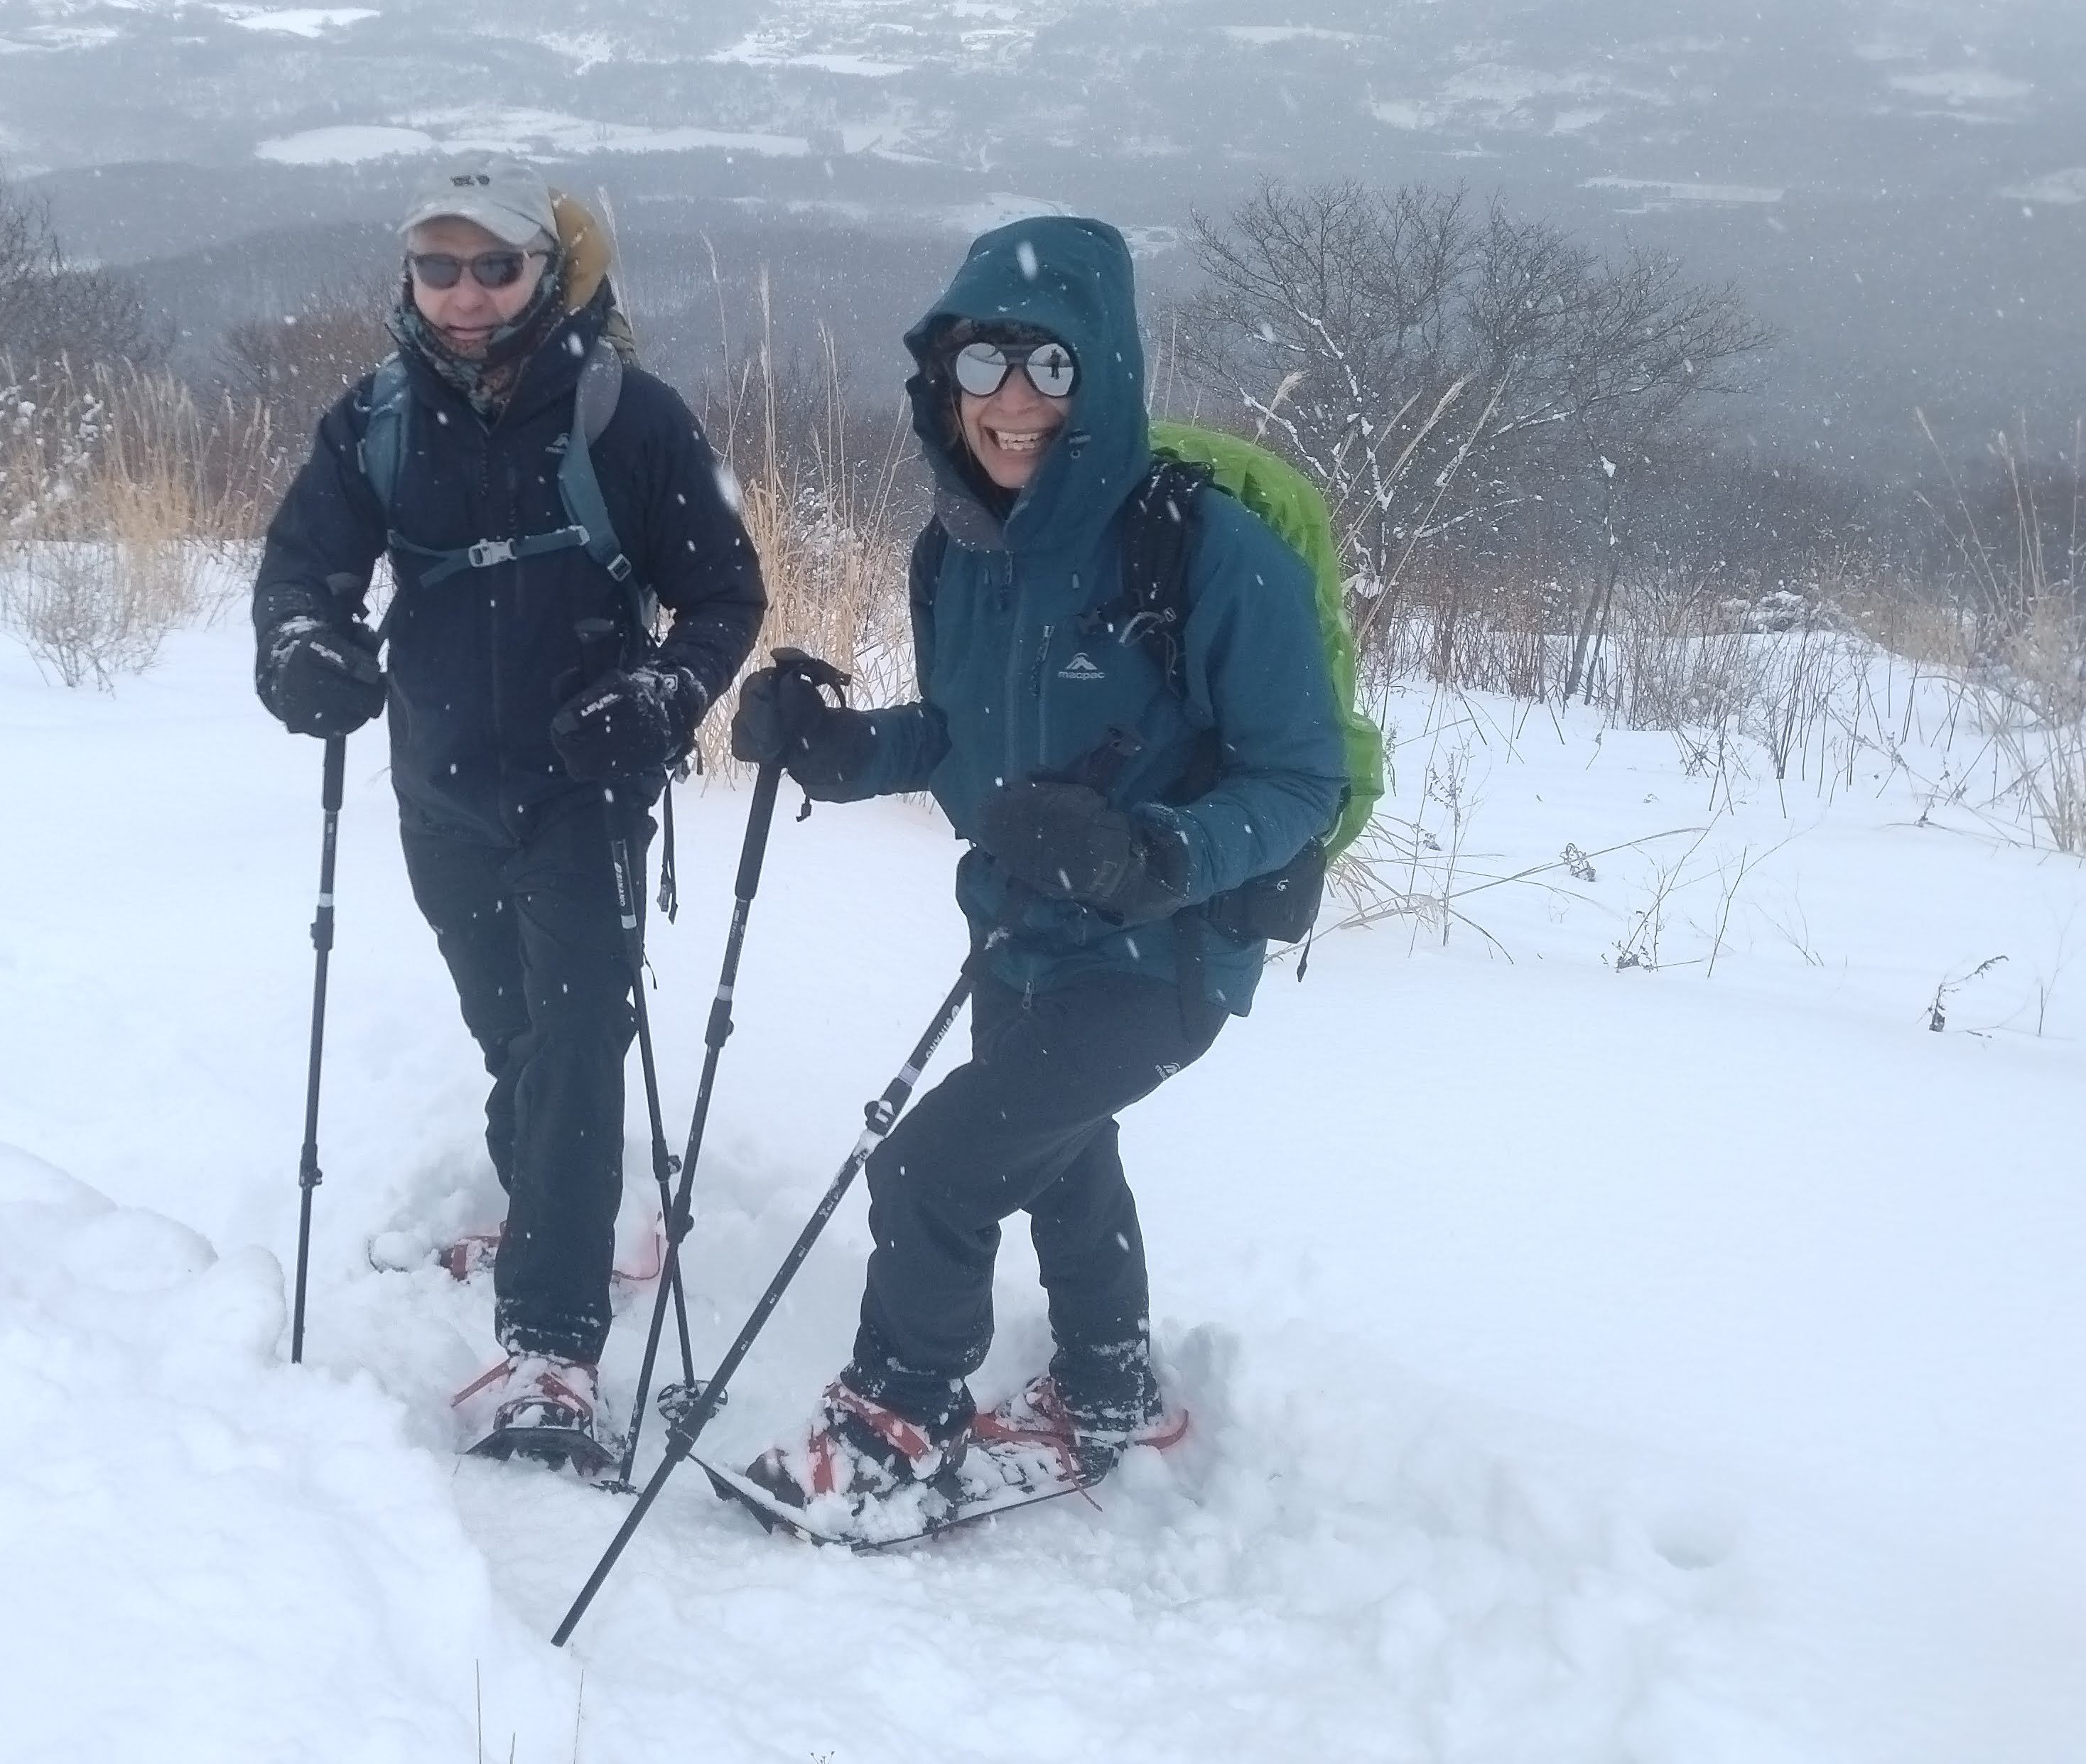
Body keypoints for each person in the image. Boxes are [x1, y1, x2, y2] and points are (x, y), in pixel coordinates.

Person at [727, 215, 1346, 1523]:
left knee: (934, 1170)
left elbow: (1302, 781)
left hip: (1164, 957)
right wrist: (843, 751)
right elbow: (964, 744)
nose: (1012, 402)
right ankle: (1112, 1387)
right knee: (1063, 1152)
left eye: (1049, 368)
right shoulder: (960, 550)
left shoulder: (1209, 554)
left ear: (1103, 374)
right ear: (941, 382)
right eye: (981, 366)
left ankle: (898, 1422)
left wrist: (1158, 850)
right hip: (1017, 933)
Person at [253, 160, 764, 1469]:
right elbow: (304, 569)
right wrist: (304, 649)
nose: (467, 295)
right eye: (440, 266)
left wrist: (663, 693)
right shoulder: (373, 419)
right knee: (516, 1034)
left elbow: (723, 594)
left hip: (582, 792)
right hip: (441, 788)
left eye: (496, 266)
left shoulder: (625, 418)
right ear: (408, 278)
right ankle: (562, 1208)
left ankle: (554, 1342)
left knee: (584, 1039)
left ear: (547, 272)